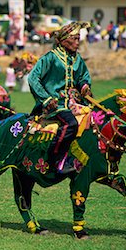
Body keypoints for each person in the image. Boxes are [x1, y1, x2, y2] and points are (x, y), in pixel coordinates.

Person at [28, 21, 92, 174]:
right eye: (74, 39)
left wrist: (84, 85)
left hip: (75, 103)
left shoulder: (77, 59)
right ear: (64, 40)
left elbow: (83, 76)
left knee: (95, 122)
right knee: (71, 124)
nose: (78, 43)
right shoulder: (50, 58)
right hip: (56, 104)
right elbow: (33, 78)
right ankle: (54, 159)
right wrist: (46, 99)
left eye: (79, 39)